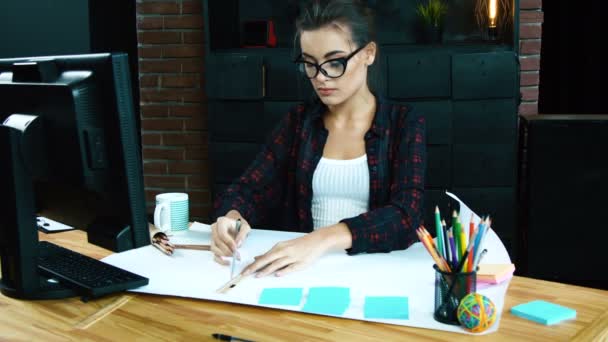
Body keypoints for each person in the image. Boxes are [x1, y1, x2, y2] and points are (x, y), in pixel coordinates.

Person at [210, 0, 426, 277]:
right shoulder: (299, 122)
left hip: (376, 273)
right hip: (302, 273)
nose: (320, 77)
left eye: (335, 62)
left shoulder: (403, 122)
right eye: (310, 64)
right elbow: (248, 189)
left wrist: (320, 239)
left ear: (368, 53)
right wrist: (231, 218)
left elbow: (407, 215)